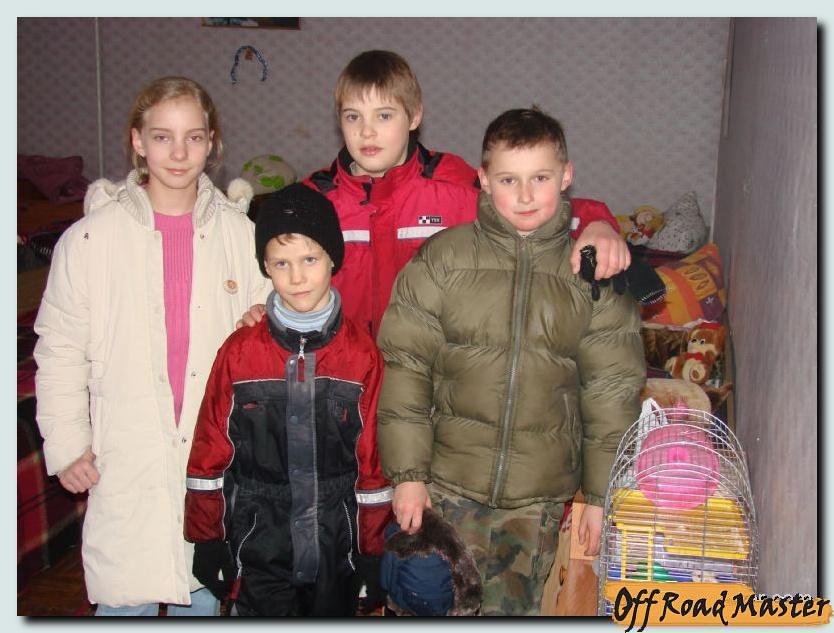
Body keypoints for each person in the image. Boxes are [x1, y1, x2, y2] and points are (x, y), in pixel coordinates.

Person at [376, 107, 646, 616]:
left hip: (535, 502)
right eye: (508, 180)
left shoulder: (593, 280)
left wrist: (599, 495)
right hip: (445, 487)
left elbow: (611, 392)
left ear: (566, 176)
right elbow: (406, 369)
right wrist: (408, 474)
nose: (525, 196)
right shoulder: (442, 260)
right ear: (483, 180)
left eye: (540, 178)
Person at [33, 76, 272, 615]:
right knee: (125, 594)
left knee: (203, 590)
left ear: (211, 143)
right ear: (138, 141)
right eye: (162, 137)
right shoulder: (91, 240)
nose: (178, 153)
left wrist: (261, 322)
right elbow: (59, 349)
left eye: (193, 137)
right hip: (126, 452)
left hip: (213, 454)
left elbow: (266, 341)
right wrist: (67, 443)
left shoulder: (241, 236)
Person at [243, 50, 630, 337]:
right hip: (344, 376)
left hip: (432, 378)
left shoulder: (451, 185)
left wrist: (598, 223)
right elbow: (273, 267)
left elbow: (531, 205)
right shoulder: (314, 201)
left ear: (414, 117)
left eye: (384, 115)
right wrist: (261, 306)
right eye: (353, 117)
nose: (367, 132)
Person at [184, 184, 391, 616]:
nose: (297, 277)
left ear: (333, 259)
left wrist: (372, 551)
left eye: (309, 259)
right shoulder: (239, 353)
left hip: (337, 545)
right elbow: (209, 453)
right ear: (266, 266)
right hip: (259, 542)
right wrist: (207, 538)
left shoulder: (362, 356)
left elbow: (373, 464)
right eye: (282, 263)